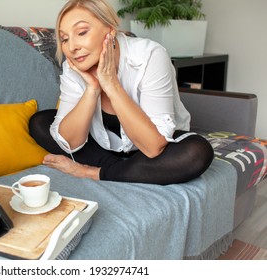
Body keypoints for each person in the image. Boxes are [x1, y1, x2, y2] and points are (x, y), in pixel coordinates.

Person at [29, 0, 214, 185]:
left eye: (82, 32)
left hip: (155, 145)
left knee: (196, 152)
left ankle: (95, 172)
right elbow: (69, 143)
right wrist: (92, 89)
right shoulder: (74, 66)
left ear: (110, 29)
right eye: (65, 38)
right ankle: (128, 170)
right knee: (40, 122)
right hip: (105, 148)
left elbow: (153, 147)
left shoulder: (150, 55)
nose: (72, 47)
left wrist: (110, 84)